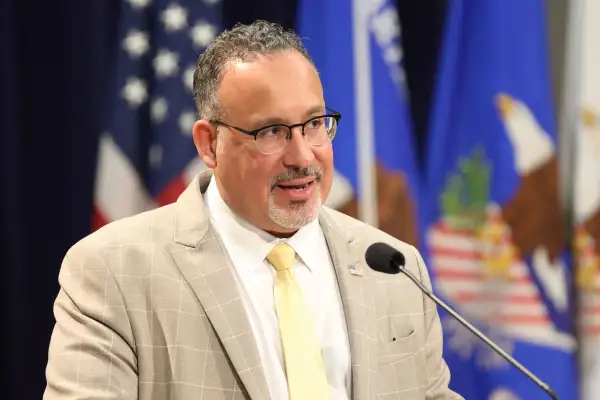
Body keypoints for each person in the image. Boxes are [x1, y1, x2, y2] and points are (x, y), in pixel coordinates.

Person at [44, 20, 460, 400]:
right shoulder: (115, 272)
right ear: (209, 144)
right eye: (272, 132)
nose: (302, 157)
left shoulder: (393, 268)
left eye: (315, 124)